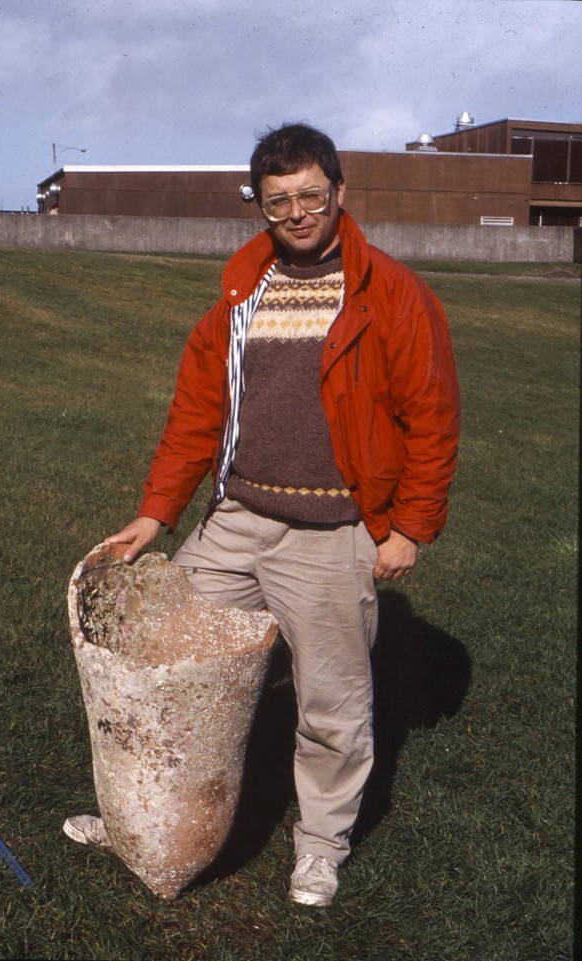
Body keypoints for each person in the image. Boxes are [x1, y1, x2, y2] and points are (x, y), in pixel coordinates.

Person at [63, 122, 460, 907]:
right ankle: (151, 814)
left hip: (333, 535)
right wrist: (156, 515)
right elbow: (195, 414)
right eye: (280, 201)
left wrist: (410, 525)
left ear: (340, 193)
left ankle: (320, 846)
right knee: (163, 669)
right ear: (262, 206)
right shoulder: (242, 290)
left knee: (330, 707)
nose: (299, 211)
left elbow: (433, 416)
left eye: (313, 194)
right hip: (235, 522)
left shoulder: (393, 294)